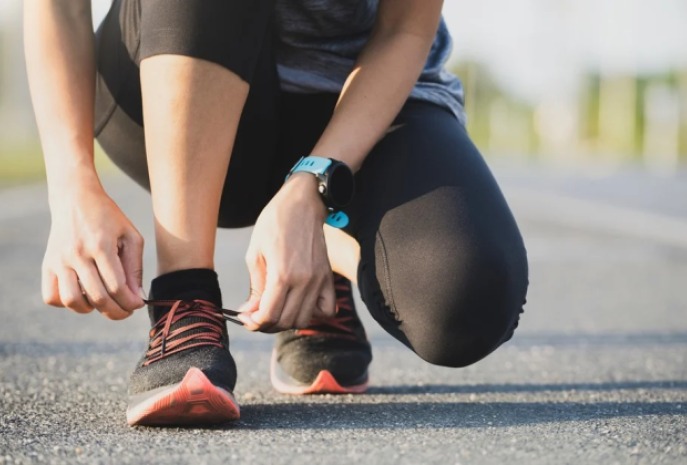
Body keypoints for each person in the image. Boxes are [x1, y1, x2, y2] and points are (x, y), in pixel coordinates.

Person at [23, 0, 528, 427]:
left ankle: (315, 261)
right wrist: (72, 188)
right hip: (169, 70)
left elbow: (406, 28)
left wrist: (313, 186)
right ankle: (186, 300)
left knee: (465, 299)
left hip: (356, 106)